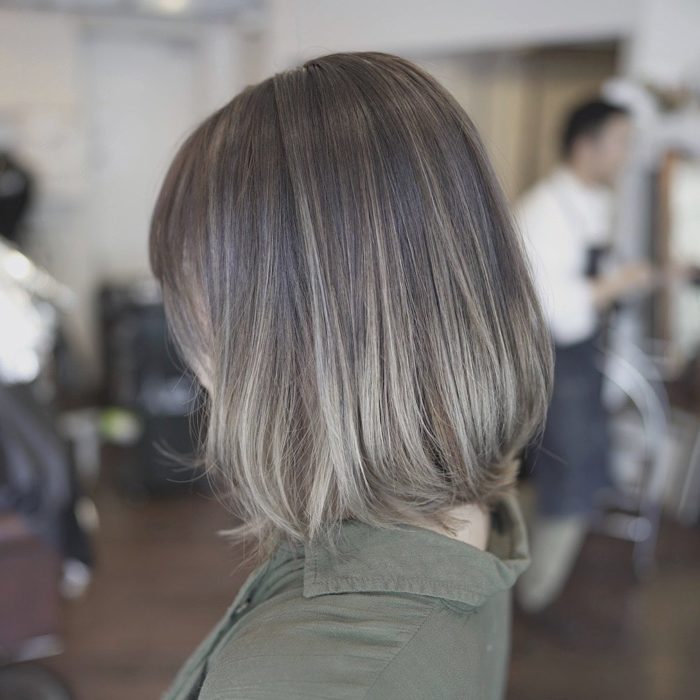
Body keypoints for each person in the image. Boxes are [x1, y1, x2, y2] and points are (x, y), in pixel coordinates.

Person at [149, 52, 552, 700]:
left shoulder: (298, 676)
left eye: (188, 294)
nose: (189, 341)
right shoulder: (467, 513)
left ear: (280, 340)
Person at [514, 99, 657, 613]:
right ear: (585, 145)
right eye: (619, 141)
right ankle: (531, 599)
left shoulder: (595, 203)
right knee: (566, 480)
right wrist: (616, 282)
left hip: (584, 363)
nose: (625, 154)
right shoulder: (541, 210)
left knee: (568, 479)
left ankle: (529, 587)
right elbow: (550, 306)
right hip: (555, 362)